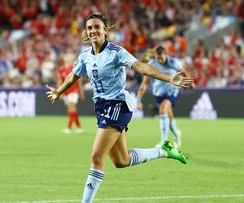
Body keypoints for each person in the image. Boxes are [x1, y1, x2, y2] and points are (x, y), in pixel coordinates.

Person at [46, 13, 194, 203]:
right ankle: (165, 150)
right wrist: (59, 91)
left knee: (96, 156)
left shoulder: (116, 52)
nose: (93, 31)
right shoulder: (85, 57)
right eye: (89, 27)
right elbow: (73, 77)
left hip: (117, 105)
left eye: (97, 27)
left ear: (105, 30)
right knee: (121, 161)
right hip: (101, 107)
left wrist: (169, 77)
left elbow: (141, 67)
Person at [136, 45, 192, 150]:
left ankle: (164, 142)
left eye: (161, 57)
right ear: (155, 56)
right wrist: (138, 100)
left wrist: (190, 83)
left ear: (166, 54)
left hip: (172, 91)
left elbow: (183, 71)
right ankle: (177, 133)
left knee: (162, 109)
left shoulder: (173, 62)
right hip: (158, 94)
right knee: (168, 116)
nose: (160, 60)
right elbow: (144, 84)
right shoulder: (151, 64)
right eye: (158, 58)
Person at [57, 55, 85, 134]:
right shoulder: (61, 69)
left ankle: (69, 128)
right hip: (66, 92)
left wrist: (81, 93)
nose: (67, 58)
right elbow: (60, 81)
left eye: (69, 57)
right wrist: (60, 92)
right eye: (66, 57)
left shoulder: (74, 69)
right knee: (72, 110)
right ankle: (79, 127)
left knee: (72, 108)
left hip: (73, 91)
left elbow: (79, 82)